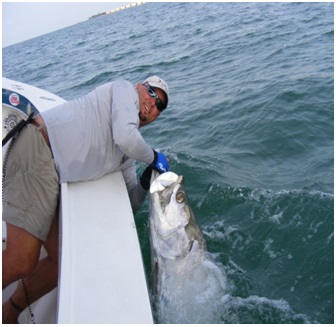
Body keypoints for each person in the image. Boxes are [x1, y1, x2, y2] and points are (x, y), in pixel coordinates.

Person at [2, 75, 170, 323]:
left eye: (160, 106)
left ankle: (8, 312)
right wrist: (153, 156)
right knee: (22, 260)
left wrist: (145, 183)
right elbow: (126, 136)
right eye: (151, 93)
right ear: (138, 87)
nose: (152, 104)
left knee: (61, 265)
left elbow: (131, 201)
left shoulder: (126, 156)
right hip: (38, 148)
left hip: (51, 177)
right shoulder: (122, 89)